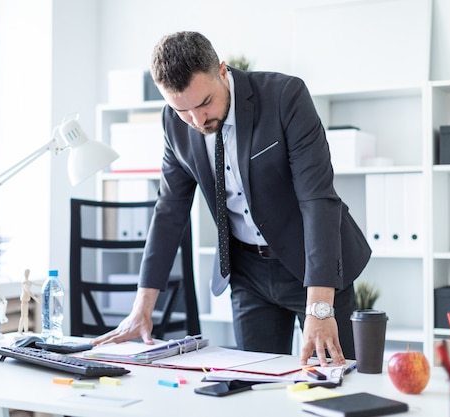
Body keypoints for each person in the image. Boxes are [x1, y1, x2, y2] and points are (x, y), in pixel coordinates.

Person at [92, 31, 371, 366]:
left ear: (222, 71)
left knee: (337, 380)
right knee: (256, 384)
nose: (197, 121)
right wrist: (142, 307)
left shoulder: (284, 97)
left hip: (312, 265)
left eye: (204, 103)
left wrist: (320, 307)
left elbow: (317, 198)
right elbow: (169, 211)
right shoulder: (174, 122)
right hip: (248, 273)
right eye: (183, 110)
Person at [18, 269, 41, 334]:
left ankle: (26, 330)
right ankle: (20, 330)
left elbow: (36, 283)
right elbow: (27, 291)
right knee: (23, 316)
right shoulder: (24, 282)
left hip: (27, 299)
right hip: (24, 299)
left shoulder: (29, 281)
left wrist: (44, 284)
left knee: (26, 315)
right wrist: (34, 298)